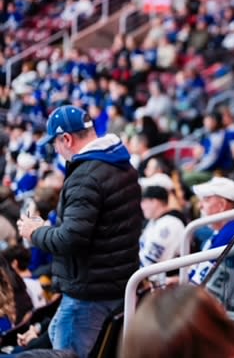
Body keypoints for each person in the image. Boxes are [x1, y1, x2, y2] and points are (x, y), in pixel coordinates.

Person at [17, 105, 143, 358]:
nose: (56, 151)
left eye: (56, 144)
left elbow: (71, 239)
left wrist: (35, 232)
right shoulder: (120, 163)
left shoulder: (86, 176)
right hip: (111, 284)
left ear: (67, 139)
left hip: (89, 294)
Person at [138, 186, 185, 282]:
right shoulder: (154, 221)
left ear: (154, 202)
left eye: (144, 201)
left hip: (166, 287)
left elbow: (150, 264)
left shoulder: (170, 223)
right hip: (153, 282)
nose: (141, 206)